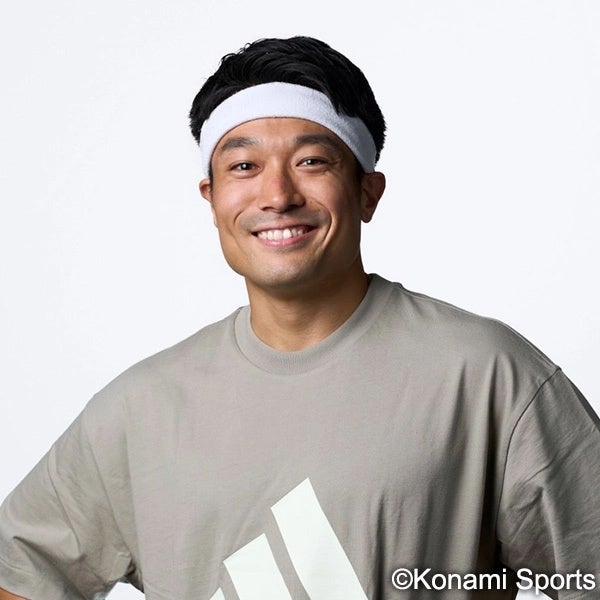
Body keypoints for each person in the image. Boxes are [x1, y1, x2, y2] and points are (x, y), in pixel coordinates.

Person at [0, 35, 599, 600]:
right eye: (243, 166)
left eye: (312, 161)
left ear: (367, 191)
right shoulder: (142, 407)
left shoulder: (488, 374)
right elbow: (22, 571)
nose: (277, 195)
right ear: (212, 198)